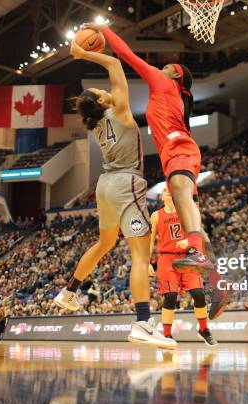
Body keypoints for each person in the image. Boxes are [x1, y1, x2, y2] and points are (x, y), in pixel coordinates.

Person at [54, 40, 175, 349]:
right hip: (126, 183)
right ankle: (143, 323)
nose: (106, 90)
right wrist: (83, 54)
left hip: (105, 185)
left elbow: (109, 79)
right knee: (139, 255)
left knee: (105, 243)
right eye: (100, 92)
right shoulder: (119, 111)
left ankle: (69, 291)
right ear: (101, 101)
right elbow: (115, 65)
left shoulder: (96, 125)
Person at [84, 23, 214, 275]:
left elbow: (127, 56)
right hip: (177, 154)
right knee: (185, 208)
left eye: (165, 67)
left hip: (180, 150)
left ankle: (197, 253)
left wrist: (105, 31)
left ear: (176, 75)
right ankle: (216, 277)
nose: (159, 68)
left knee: (180, 195)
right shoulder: (170, 93)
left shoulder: (165, 84)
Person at [149, 188, 217, 346]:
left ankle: (204, 329)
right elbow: (150, 240)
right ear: (161, 197)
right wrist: (146, 262)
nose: (168, 192)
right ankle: (167, 335)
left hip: (188, 256)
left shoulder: (186, 210)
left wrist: (189, 242)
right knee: (170, 296)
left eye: (170, 190)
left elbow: (198, 232)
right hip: (167, 258)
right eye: (165, 191)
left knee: (199, 294)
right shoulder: (156, 215)